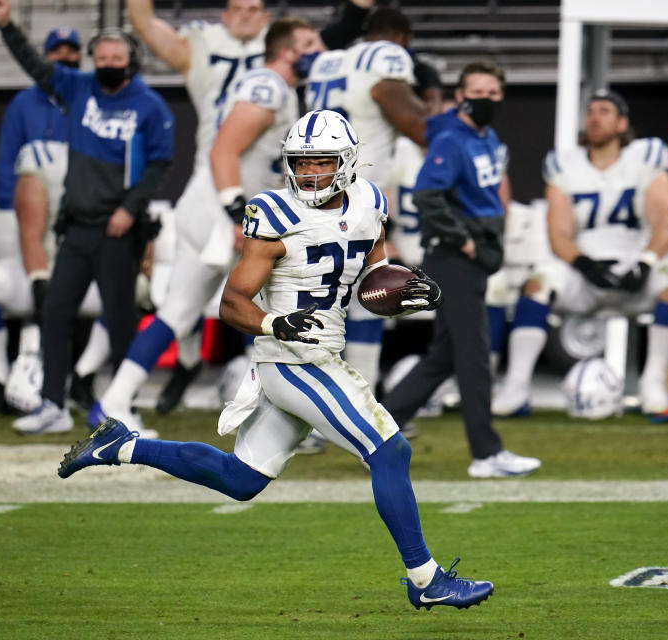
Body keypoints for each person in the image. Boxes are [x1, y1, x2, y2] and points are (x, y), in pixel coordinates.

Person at [58, 109, 495, 612]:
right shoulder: (274, 214)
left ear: (348, 163)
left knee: (241, 479)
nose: (309, 173)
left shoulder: (371, 201)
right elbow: (232, 301)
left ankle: (122, 445)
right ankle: (426, 579)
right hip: (293, 359)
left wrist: (402, 287)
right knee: (389, 451)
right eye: (301, 163)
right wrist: (274, 323)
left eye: (321, 162)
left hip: (320, 349)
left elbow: (372, 267)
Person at [89, 9, 323, 429]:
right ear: (286, 52)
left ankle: (115, 400)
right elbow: (223, 150)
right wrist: (238, 212)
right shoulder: (268, 86)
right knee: (288, 302)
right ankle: (296, 415)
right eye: (309, 45)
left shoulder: (272, 85)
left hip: (210, 206)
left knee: (179, 312)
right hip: (221, 212)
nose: (319, 51)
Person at [0, 0, 173, 435]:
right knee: (54, 311)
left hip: (118, 229)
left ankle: (124, 405)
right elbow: (35, 66)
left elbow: (159, 165)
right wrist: (7, 26)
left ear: (132, 61)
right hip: (77, 226)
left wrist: (129, 210)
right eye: (102, 57)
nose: (108, 64)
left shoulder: (150, 105)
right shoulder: (78, 88)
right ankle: (53, 403)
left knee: (122, 321)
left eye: (116, 58)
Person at [380, 61, 541, 478]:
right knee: (473, 356)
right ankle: (486, 453)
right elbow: (427, 194)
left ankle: (372, 430)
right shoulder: (451, 137)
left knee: (444, 357)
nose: (484, 100)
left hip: (469, 257)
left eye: (492, 93)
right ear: (459, 95)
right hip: (455, 259)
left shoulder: (483, 136)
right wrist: (463, 239)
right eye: (476, 92)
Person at [492, 89, 668, 417]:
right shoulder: (564, 165)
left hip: (637, 263)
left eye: (605, 111)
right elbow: (559, 233)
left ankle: (654, 381)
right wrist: (584, 264)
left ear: (622, 122)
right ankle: (516, 384)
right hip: (587, 270)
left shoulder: (646, 156)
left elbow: (665, 223)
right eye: (591, 111)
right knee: (538, 283)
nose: (594, 118)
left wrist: (644, 263)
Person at [305, 8, 429, 393]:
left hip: (310, 196)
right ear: (401, 39)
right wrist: (434, 96)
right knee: (367, 303)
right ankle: (361, 409)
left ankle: (320, 414)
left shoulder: (327, 62)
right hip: (352, 200)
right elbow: (413, 121)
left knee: (316, 308)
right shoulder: (385, 56)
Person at [0, 27, 82, 415]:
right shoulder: (23, 105)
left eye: (72, 50)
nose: (65, 56)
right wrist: (10, 216)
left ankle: (81, 382)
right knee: (8, 290)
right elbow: (8, 168)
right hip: (31, 231)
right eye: (57, 50)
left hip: (74, 240)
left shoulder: (89, 103)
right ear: (45, 57)